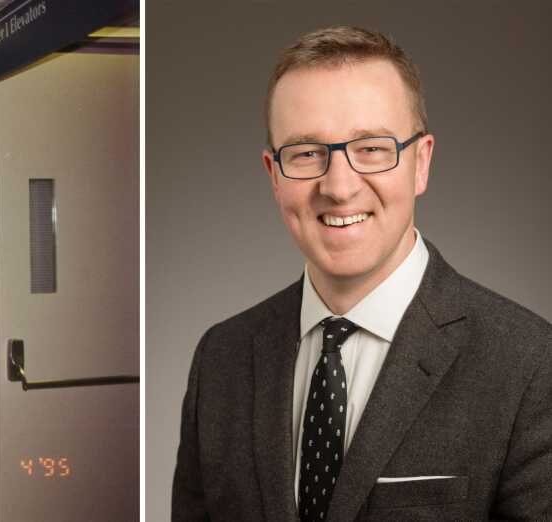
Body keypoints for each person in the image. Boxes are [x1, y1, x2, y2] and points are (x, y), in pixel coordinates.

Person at [172, 26, 552, 520]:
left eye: (371, 147)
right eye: (306, 153)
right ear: (273, 174)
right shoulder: (220, 360)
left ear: (421, 163)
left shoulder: (529, 364)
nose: (338, 186)